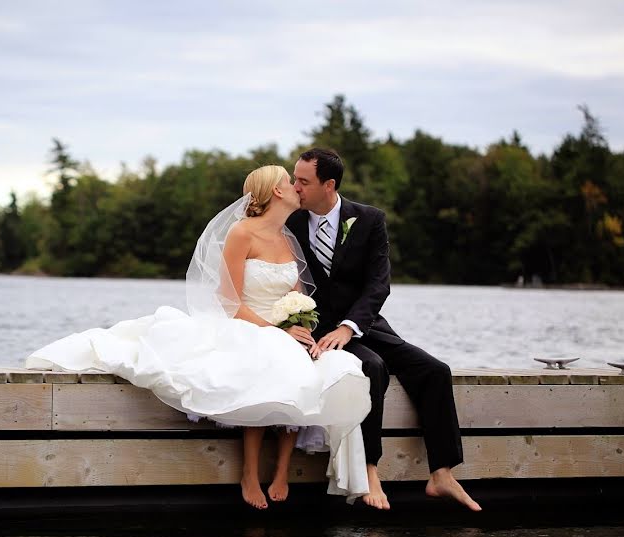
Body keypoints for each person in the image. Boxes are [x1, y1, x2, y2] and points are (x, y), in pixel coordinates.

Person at [26, 165, 371, 509]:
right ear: (276, 191)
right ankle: (249, 473)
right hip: (248, 323)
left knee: (308, 365)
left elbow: (300, 299)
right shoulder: (241, 233)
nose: (297, 187)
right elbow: (229, 301)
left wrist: (303, 328)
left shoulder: (287, 237)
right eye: (289, 182)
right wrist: (277, 330)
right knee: (270, 364)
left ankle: (281, 471)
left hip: (281, 327)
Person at [287, 148, 482, 511]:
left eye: (303, 181)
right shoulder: (289, 221)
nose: (294, 186)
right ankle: (368, 469)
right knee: (371, 367)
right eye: (294, 178)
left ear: (328, 185)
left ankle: (442, 474)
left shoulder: (370, 219)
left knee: (435, 371)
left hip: (364, 324)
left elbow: (378, 284)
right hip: (315, 332)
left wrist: (349, 327)